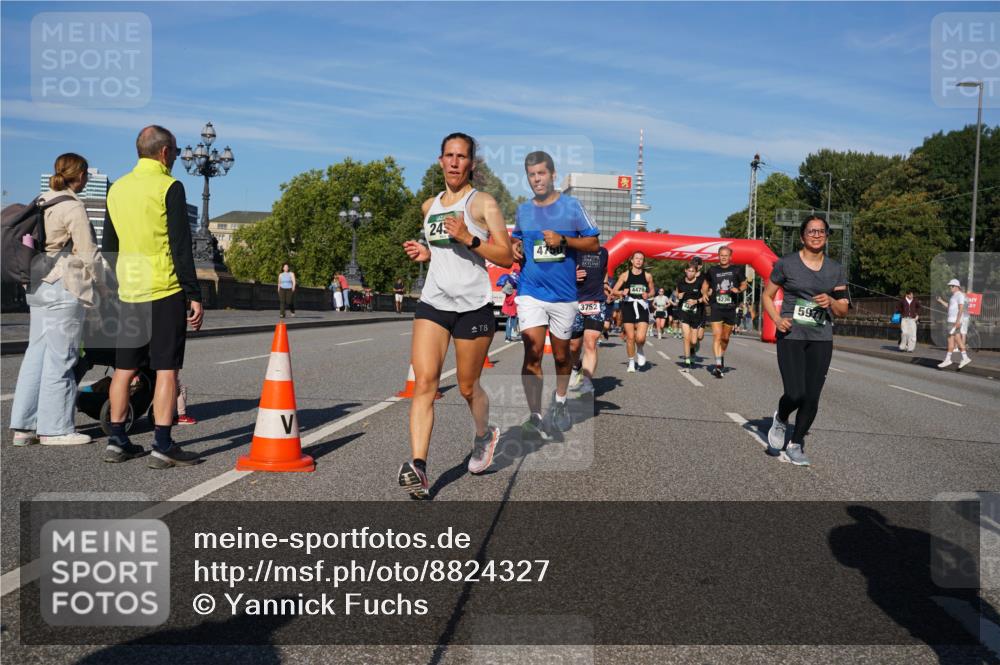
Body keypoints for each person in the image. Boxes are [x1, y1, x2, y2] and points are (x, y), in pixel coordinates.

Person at [397, 132, 513, 499]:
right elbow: (443, 253)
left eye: (461, 157)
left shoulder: (483, 204)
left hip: (473, 307)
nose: (454, 162)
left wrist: (469, 237)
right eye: (448, 155)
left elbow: (506, 257)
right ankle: (419, 467)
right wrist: (426, 253)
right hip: (433, 303)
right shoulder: (429, 205)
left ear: (471, 164)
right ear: (439, 160)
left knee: (466, 386)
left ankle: (484, 436)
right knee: (425, 384)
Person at [102, 125, 204, 468]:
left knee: (123, 369)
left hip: (130, 290)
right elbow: (180, 247)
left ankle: (117, 440)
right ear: (164, 152)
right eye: (175, 151)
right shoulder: (169, 186)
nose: (175, 157)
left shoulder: (116, 188)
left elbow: (110, 248)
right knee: (166, 370)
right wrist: (194, 293)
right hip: (164, 289)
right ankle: (162, 444)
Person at [10, 153, 101, 446]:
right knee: (62, 358)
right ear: (81, 175)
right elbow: (89, 254)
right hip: (63, 286)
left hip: (36, 286)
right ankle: (55, 429)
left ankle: (24, 427)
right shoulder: (73, 206)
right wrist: (110, 286)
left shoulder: (41, 200)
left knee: (35, 355)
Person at [512, 150, 600, 438]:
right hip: (530, 291)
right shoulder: (524, 210)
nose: (536, 179)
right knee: (532, 352)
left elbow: (594, 244)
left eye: (541, 173)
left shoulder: (572, 206)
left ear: (552, 175)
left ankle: (560, 402)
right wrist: (514, 248)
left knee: (562, 357)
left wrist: (564, 240)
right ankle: (536, 415)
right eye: (531, 175)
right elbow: (516, 241)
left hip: (563, 296)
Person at [763, 215, 849, 466]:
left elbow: (843, 309)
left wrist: (831, 302)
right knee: (795, 392)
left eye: (821, 231)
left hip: (821, 338)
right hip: (791, 335)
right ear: (802, 236)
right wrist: (777, 320)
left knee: (812, 396)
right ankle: (781, 418)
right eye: (811, 231)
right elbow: (767, 296)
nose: (816, 235)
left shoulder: (835, 269)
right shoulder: (786, 264)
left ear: (827, 236)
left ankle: (796, 442)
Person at [569, 246, 610, 396]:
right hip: (574, 301)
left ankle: (586, 383)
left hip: (596, 301)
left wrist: (605, 284)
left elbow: (604, 270)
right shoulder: (572, 249)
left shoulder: (603, 252)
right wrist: (571, 274)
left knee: (590, 343)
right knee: (573, 346)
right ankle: (575, 367)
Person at [703, 245, 747, 378]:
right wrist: (705, 293)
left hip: (730, 307)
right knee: (717, 336)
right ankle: (717, 365)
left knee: (725, 338)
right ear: (718, 256)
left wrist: (738, 290)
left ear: (730, 257)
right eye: (721, 255)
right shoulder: (712, 270)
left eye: (726, 255)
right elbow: (706, 283)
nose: (723, 257)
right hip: (716, 306)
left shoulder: (736, 270)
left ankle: (720, 356)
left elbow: (744, 284)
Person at [612, 252, 654, 373]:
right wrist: (621, 293)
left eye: (641, 259)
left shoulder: (647, 276)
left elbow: (652, 291)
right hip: (628, 306)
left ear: (643, 261)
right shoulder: (625, 275)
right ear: (632, 261)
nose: (639, 261)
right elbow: (614, 291)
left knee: (640, 338)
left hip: (642, 306)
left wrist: (648, 294)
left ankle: (640, 348)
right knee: (630, 337)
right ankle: (631, 362)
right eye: (636, 258)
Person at [675, 262, 708, 371]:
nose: (690, 273)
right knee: (686, 336)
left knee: (694, 341)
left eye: (692, 271)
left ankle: (693, 350)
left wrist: (696, 301)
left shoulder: (700, 282)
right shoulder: (680, 281)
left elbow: (705, 297)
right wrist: (678, 296)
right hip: (684, 312)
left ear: (696, 272)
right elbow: (677, 293)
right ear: (685, 271)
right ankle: (687, 360)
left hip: (697, 313)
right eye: (688, 271)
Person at [937, 279, 971, 369]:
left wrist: (957, 322)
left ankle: (962, 358)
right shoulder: (954, 296)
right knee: (952, 340)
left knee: (955, 339)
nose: (950, 288)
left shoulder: (960, 295)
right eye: (950, 286)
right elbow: (949, 307)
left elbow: (961, 309)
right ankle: (959, 358)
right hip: (951, 321)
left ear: (956, 287)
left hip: (953, 321)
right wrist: (940, 301)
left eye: (951, 286)